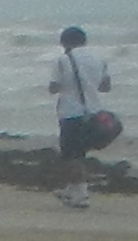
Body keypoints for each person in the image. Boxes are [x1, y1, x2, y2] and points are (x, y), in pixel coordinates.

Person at [47, 26, 115, 206]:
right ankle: (71, 190)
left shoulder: (63, 60)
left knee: (70, 156)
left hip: (71, 112)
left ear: (65, 42)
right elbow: (105, 87)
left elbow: (53, 88)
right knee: (80, 153)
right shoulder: (100, 59)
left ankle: (82, 195)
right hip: (95, 112)